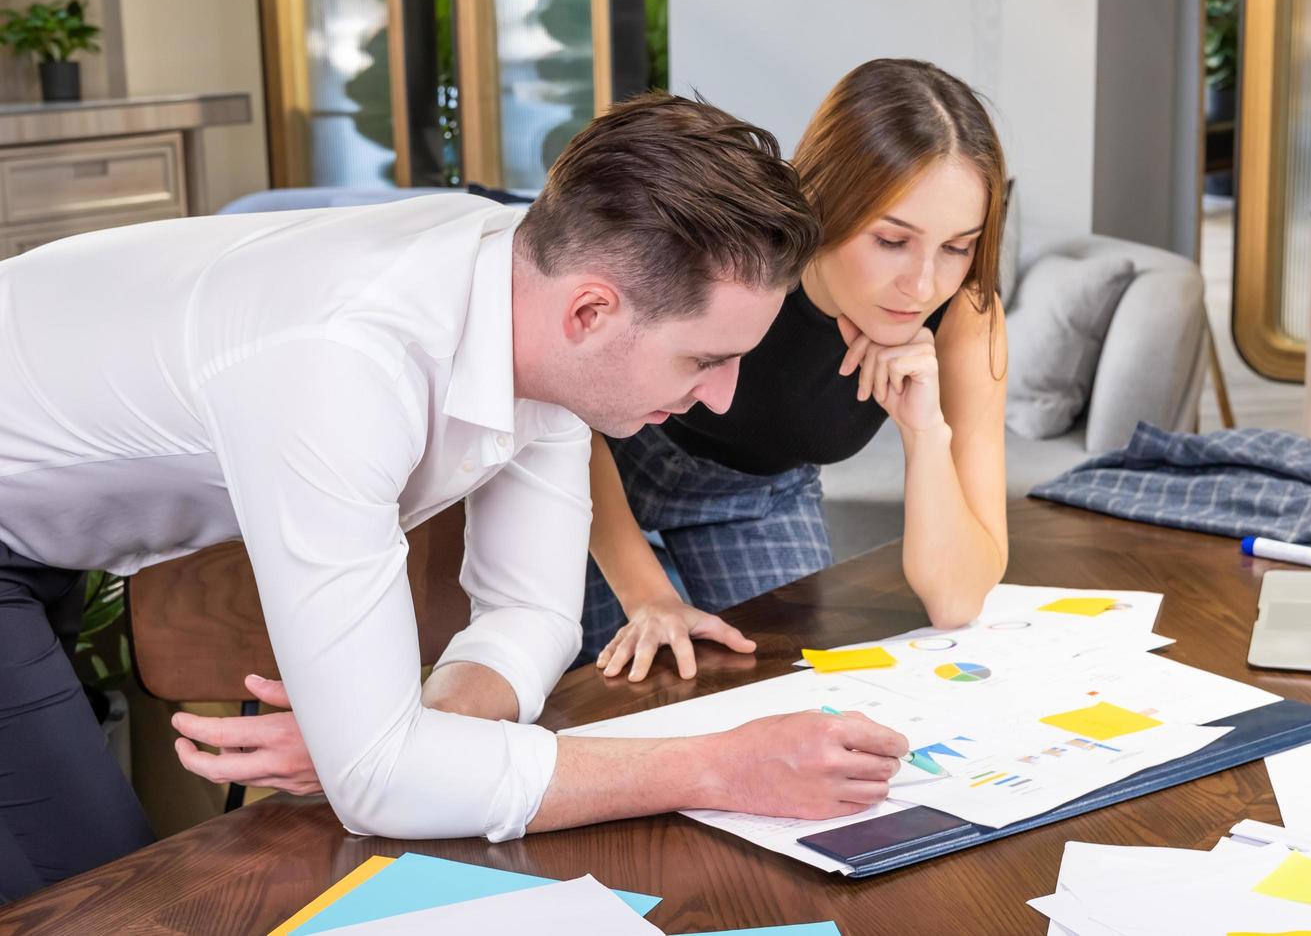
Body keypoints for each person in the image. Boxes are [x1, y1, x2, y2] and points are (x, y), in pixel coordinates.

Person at [0, 94, 910, 902]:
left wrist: (406, 739)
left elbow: (534, 613)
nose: (721, 397)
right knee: (100, 899)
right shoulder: (340, 365)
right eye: (706, 358)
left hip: (46, 518)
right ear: (591, 314)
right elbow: (376, 789)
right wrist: (718, 767)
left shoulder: (535, 283)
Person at [586, 59, 1010, 681]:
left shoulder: (964, 314)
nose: (923, 285)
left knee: (787, 685)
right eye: (891, 240)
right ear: (827, 200)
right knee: (599, 687)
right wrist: (647, 594)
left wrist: (926, 434)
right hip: (600, 465)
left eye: (956, 247)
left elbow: (956, 600)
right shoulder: (734, 246)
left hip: (756, 497)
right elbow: (567, 418)